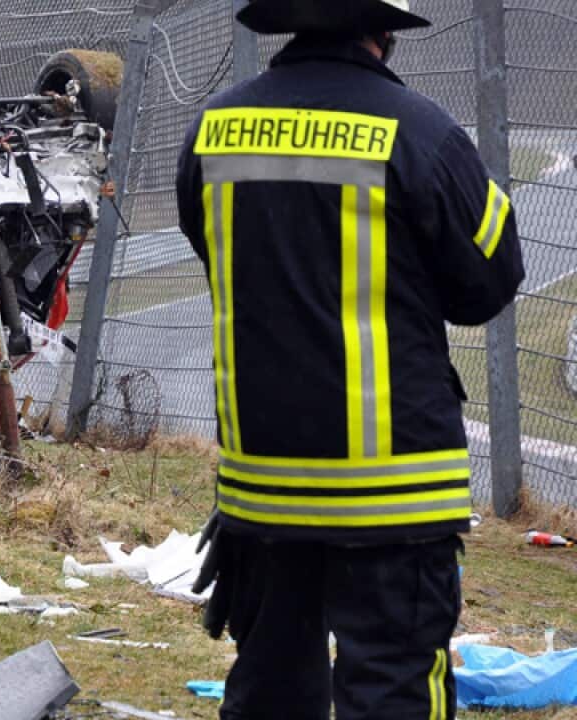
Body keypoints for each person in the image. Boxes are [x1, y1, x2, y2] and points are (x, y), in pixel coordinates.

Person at [175, 1, 525, 718]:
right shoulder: (422, 132)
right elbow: (490, 280)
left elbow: (218, 251)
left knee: (270, 689)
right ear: (383, 29)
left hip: (261, 487)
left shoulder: (211, 133)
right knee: (392, 688)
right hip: (394, 490)